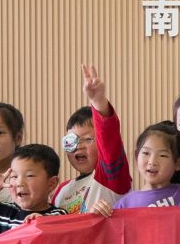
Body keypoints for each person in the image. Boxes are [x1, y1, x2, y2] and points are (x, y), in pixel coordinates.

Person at [53, 65, 130, 215]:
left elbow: (109, 137)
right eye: (71, 141)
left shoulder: (111, 177)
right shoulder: (63, 189)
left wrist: (98, 101)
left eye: (88, 139)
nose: (79, 146)